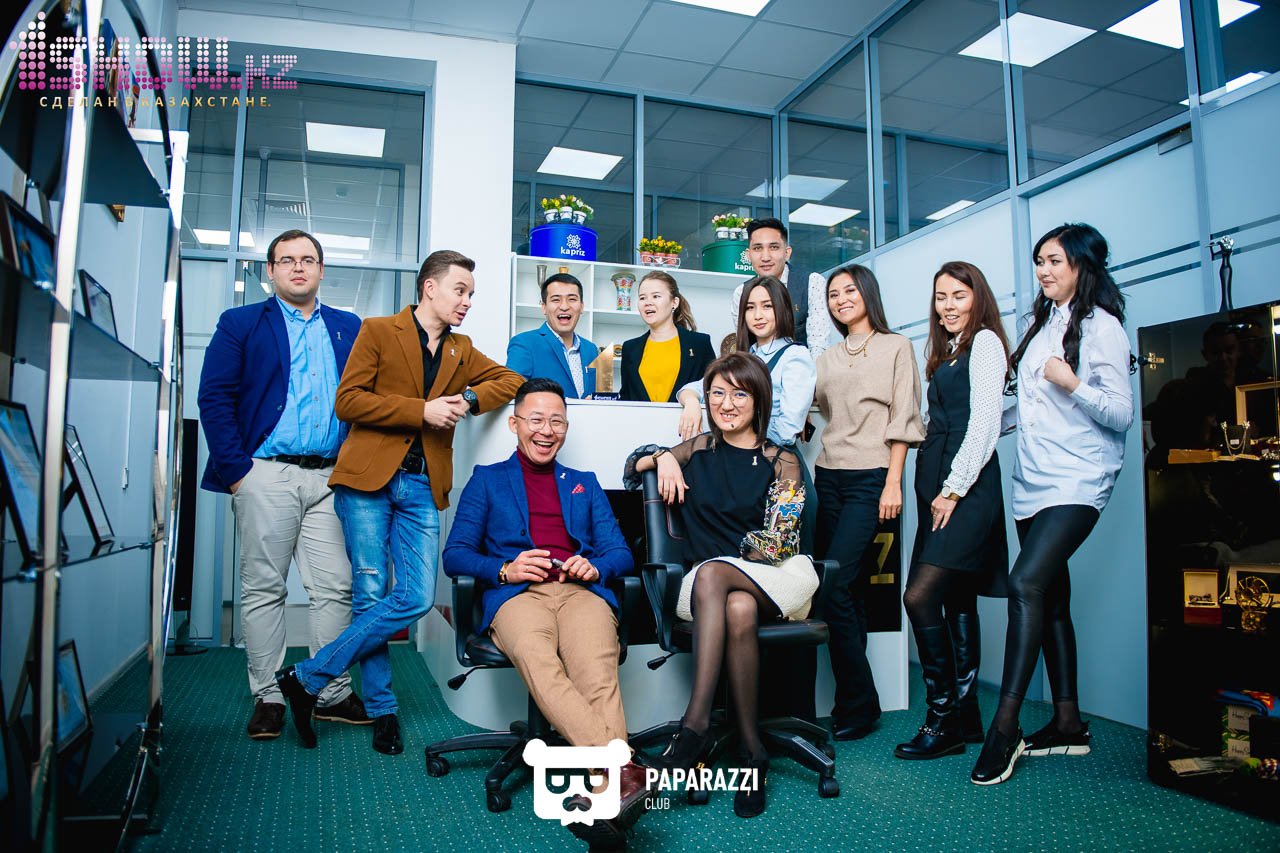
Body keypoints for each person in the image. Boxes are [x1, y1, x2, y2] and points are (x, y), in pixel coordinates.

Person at [274, 249, 523, 755]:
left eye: (471, 294)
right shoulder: (378, 331)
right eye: (460, 290)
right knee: (371, 596)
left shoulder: (461, 349)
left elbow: (509, 380)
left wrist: (468, 400)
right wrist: (421, 411)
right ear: (430, 287)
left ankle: (307, 677)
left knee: (415, 597)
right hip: (368, 480)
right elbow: (348, 401)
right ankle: (383, 709)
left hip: (422, 485)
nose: (467, 301)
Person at [442, 377, 647, 849]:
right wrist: (505, 569)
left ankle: (607, 803)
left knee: (597, 672)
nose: (546, 430)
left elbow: (620, 552)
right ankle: (622, 770)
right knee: (540, 660)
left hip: (580, 593)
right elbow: (455, 554)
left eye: (557, 421)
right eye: (536, 420)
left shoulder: (584, 483)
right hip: (518, 597)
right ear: (514, 424)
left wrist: (595, 566)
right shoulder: (487, 480)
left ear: (566, 428)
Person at [971, 223, 1134, 786]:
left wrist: (1072, 383)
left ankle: (1005, 727)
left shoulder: (1103, 327)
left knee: (1025, 584)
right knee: (1054, 600)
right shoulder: (1038, 325)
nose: (1044, 270)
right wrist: (982, 429)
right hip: (1033, 481)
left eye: (1055, 261)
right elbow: (1030, 409)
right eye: (1040, 260)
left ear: (1082, 266)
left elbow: (1120, 413)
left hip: (1080, 477)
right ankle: (1069, 722)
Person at [628, 352, 819, 819]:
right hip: (704, 589)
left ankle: (693, 727)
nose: (726, 404)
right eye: (717, 393)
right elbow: (632, 470)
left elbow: (780, 541)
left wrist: (734, 560)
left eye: (739, 394)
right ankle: (752, 750)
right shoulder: (696, 450)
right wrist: (661, 457)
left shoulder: (783, 460)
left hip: (776, 577)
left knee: (720, 573)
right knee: (735, 605)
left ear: (759, 401)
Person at [197, 229, 370, 740]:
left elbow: (365, 396)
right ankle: (269, 696)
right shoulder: (240, 323)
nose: (298, 267)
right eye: (287, 260)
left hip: (332, 476)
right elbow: (214, 398)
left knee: (335, 587)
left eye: (308, 259)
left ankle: (327, 690)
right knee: (264, 588)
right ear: (270, 270)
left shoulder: (348, 327)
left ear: (321, 270)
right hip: (265, 472)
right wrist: (237, 471)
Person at [896, 262, 1010, 761]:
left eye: (959, 296)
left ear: (977, 298)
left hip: (962, 490)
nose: (948, 305)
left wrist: (953, 489)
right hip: (938, 487)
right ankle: (966, 714)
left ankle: (941, 719)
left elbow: (984, 424)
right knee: (958, 597)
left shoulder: (984, 342)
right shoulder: (950, 350)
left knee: (919, 596)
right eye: (941, 297)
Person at [814, 264, 925, 741]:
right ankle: (853, 705)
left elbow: (904, 418)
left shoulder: (896, 346)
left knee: (834, 585)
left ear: (868, 294)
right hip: (828, 474)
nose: (841, 299)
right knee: (850, 590)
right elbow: (818, 409)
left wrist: (893, 483)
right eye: (834, 294)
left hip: (872, 477)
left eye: (849, 291)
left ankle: (861, 702)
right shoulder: (827, 357)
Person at [727, 217, 841, 354]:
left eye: (773, 247)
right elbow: (745, 344)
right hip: (758, 366)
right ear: (748, 255)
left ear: (787, 253)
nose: (765, 257)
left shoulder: (812, 282)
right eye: (757, 248)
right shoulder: (741, 292)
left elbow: (818, 345)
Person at [619, 270, 716, 402]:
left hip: (686, 416)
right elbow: (625, 398)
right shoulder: (630, 348)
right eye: (642, 298)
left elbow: (713, 389)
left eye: (656, 296)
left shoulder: (700, 343)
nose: (648, 302)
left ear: (674, 302)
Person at [506, 272, 600, 398]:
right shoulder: (524, 343)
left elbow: (600, 396)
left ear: (582, 306)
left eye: (572, 299)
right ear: (544, 307)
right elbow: (513, 395)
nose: (564, 306)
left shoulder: (591, 349)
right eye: (556, 300)